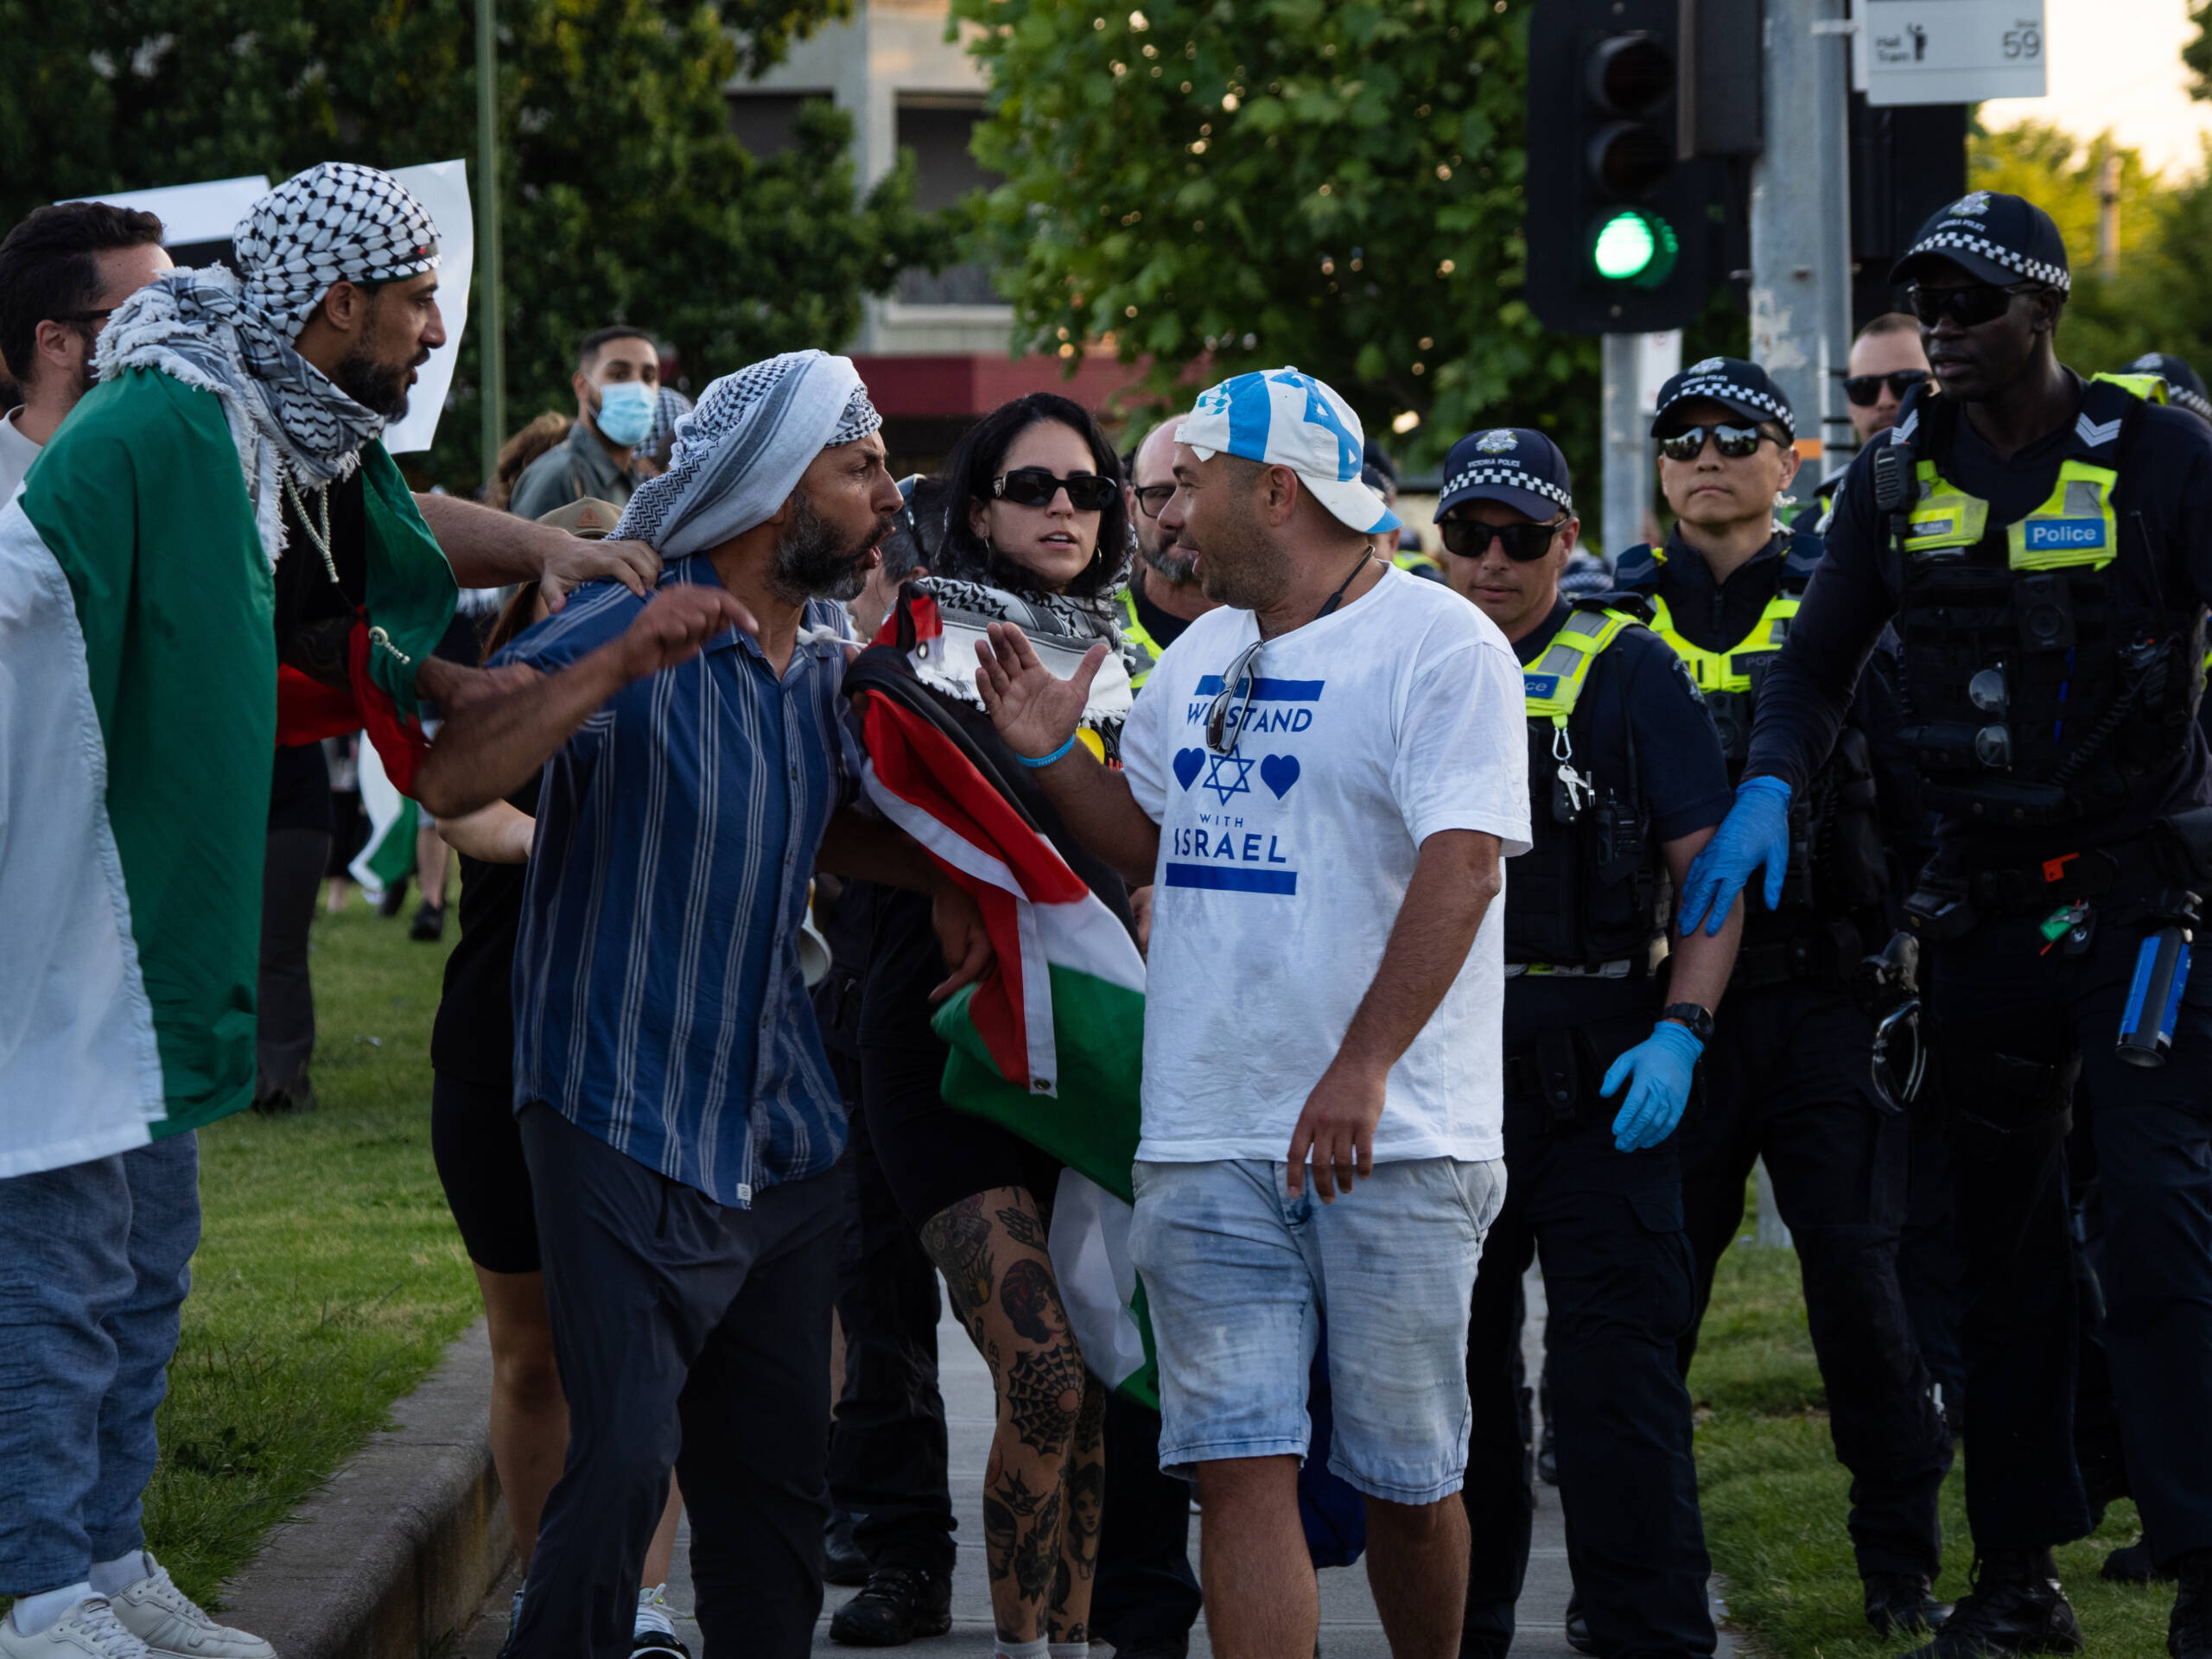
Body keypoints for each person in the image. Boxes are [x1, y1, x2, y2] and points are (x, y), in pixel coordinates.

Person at [0, 160, 658, 1659]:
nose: (437, 330)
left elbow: (377, 548)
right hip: (59, 903)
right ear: (339, 301)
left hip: (135, 915)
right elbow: (29, 586)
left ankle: (108, 1562)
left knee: (145, 1250)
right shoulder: (165, 418)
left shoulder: (268, 423)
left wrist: (512, 594)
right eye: (419, 297)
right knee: (60, 1253)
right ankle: (42, 1599)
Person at [1682, 189, 2212, 1659]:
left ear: (2044, 309)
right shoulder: (1891, 477)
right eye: (1926, 304)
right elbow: (1812, 667)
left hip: (2137, 895)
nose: (1944, 330)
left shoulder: (2161, 457)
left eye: (1972, 302)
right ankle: (2017, 1573)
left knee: (2159, 1217)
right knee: (1995, 1254)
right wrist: (1768, 789)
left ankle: (2201, 1559)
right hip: (1973, 906)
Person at [411, 349, 994, 1659]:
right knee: (618, 1471)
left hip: (780, 1134)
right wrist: (613, 673)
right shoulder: (625, 621)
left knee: (779, 1501)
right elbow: (454, 780)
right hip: (617, 1107)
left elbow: (818, 823)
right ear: (770, 495)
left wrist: (955, 876)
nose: (890, 497)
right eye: (858, 473)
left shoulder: (814, 658)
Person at [971, 366, 1529, 1659]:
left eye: (1192, 485)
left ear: (1274, 492)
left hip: (1395, 1140)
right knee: (1237, 1464)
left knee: (1406, 1479)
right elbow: (1147, 845)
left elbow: (1465, 866)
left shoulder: (1443, 648)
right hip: (1205, 1133)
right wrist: (1054, 752)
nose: (1163, 513)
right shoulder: (1205, 654)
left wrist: (1364, 1065)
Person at [1614, 358, 1956, 1637]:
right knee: (1648, 1302)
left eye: (1737, 435)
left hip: (1826, 1001)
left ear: (1789, 460)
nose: (1708, 456)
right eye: (1682, 437)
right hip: (1663, 1018)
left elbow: (1920, 813)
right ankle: (1643, 1574)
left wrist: (1921, 955)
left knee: (1861, 1295)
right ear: (1658, 465)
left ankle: (1899, 1567)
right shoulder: (1613, 619)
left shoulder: (1848, 615)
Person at [1432, 428, 1737, 1659]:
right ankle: (1468, 1620)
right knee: (1455, 1390)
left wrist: (1683, 1032)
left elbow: (1709, 881)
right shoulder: (1406, 660)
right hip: (1445, 1062)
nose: (1493, 561)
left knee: (1617, 1385)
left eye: (1521, 537)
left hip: (1608, 1062)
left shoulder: (1632, 670)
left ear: (1568, 541)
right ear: (1436, 540)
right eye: (1469, 534)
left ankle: (1648, 1630)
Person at [847, 391, 1141, 1656]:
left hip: (1084, 1055)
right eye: (1034, 487)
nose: (1065, 508)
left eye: (1086, 489)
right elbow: (861, 803)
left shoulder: (1128, 656)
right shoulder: (916, 639)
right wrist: (965, 887)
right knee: (1040, 1371)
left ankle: (1061, 1643)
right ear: (975, 510)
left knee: (1085, 1392)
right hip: (949, 1045)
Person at [428, 527, 692, 1659]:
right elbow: (462, 813)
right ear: (538, 593)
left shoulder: (679, 705)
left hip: (639, 1060)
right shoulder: (499, 703)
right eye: (581, 586)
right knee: (530, 1352)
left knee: (637, 1348)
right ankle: (551, 1598)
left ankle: (638, 1603)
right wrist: (570, 839)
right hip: (499, 1051)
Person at [817, 476, 960, 1634]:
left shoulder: (1048, 656)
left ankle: (1108, 1562)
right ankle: (899, 1545)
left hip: (1004, 1013)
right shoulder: (826, 667)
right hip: (863, 1001)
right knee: (877, 1299)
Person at [0, 201, 172, 499]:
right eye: (149, 314)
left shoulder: (214, 460)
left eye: (185, 309)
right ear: (57, 342)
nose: (181, 333)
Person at [507, 326, 661, 520]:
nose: (638, 387)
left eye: (649, 377)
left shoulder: (637, 484)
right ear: (582, 386)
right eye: (619, 375)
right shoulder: (560, 475)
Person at [1121, 416, 1223, 684]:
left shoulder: (1294, 632)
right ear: (1131, 507)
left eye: (1197, 492)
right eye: (1160, 493)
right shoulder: (1089, 635)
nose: (1176, 516)